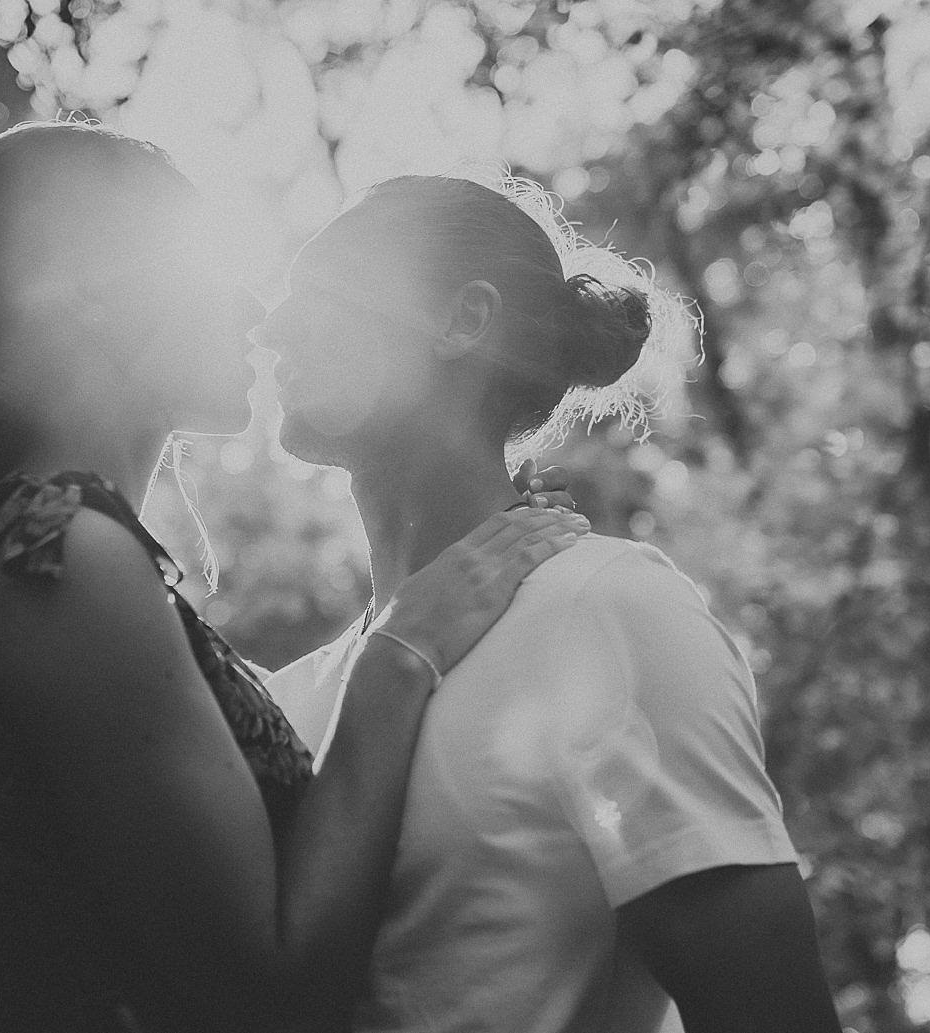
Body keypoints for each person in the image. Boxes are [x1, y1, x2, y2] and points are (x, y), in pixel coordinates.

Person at [0, 121, 589, 1033]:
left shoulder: (23, 557)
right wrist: (401, 652)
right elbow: (271, 989)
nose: (252, 309)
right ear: (92, 293)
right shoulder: (61, 560)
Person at [261, 174, 843, 1033]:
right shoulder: (286, 699)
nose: (274, 328)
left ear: (462, 322)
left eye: (322, 291)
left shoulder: (609, 612)